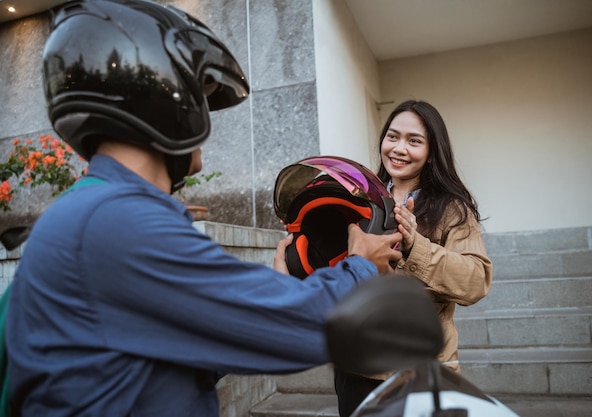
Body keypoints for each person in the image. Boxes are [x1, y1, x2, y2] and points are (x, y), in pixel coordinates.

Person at [5, 1, 402, 416]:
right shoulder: (117, 222)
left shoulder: (99, 211)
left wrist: (267, 296)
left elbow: (172, 356)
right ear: (160, 97)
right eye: (200, 96)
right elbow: (301, 330)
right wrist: (361, 267)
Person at [334, 99, 493, 417]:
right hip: (357, 368)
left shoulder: (452, 208)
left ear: (432, 152)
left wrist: (414, 246)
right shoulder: (358, 201)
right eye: (392, 137)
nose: (399, 148)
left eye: (414, 141)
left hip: (422, 370)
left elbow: (476, 281)